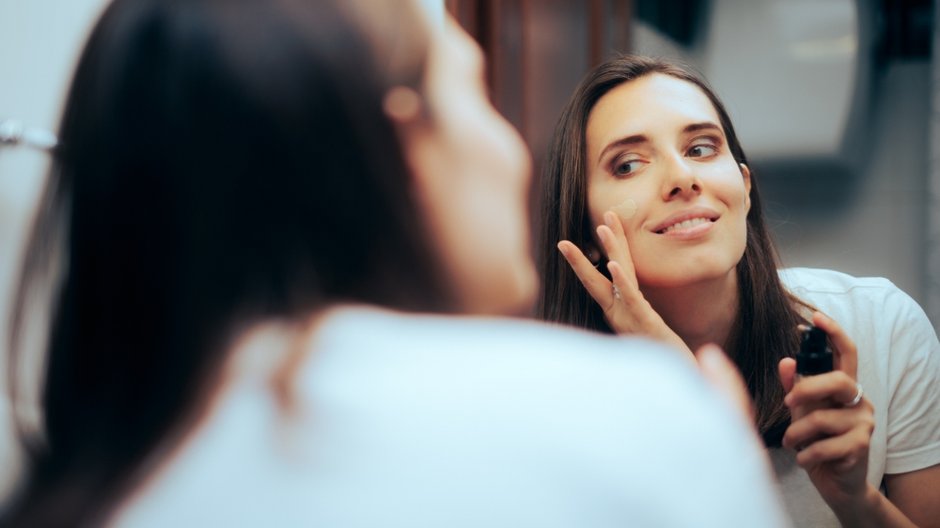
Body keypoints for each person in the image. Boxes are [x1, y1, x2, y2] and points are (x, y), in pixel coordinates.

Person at [1, 1, 790, 526]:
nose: (512, 148)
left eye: (702, 146)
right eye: (477, 94)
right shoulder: (630, 420)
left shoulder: (90, 482)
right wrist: (700, 457)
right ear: (405, 146)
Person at [536, 54, 940, 527]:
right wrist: (690, 406)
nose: (683, 179)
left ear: (744, 188)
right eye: (628, 165)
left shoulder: (883, 325)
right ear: (584, 230)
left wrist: (854, 499)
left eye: (702, 149)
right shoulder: (554, 414)